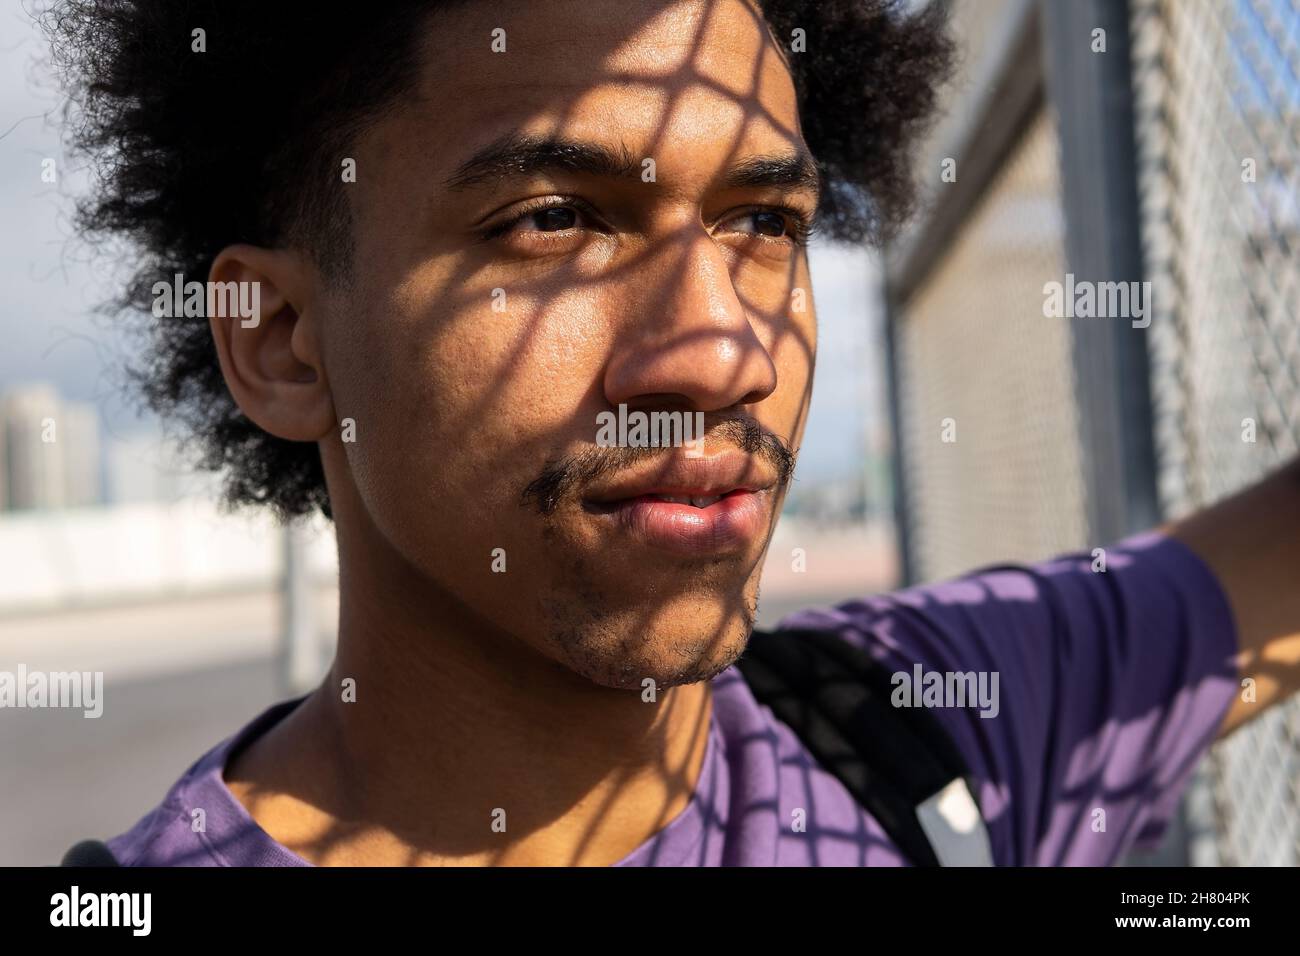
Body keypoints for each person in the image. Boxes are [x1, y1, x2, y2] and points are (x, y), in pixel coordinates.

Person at [43, 0, 1299, 867]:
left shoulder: (925, 726)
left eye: (761, 223)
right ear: (279, 340)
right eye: (553, 219)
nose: (724, 351)